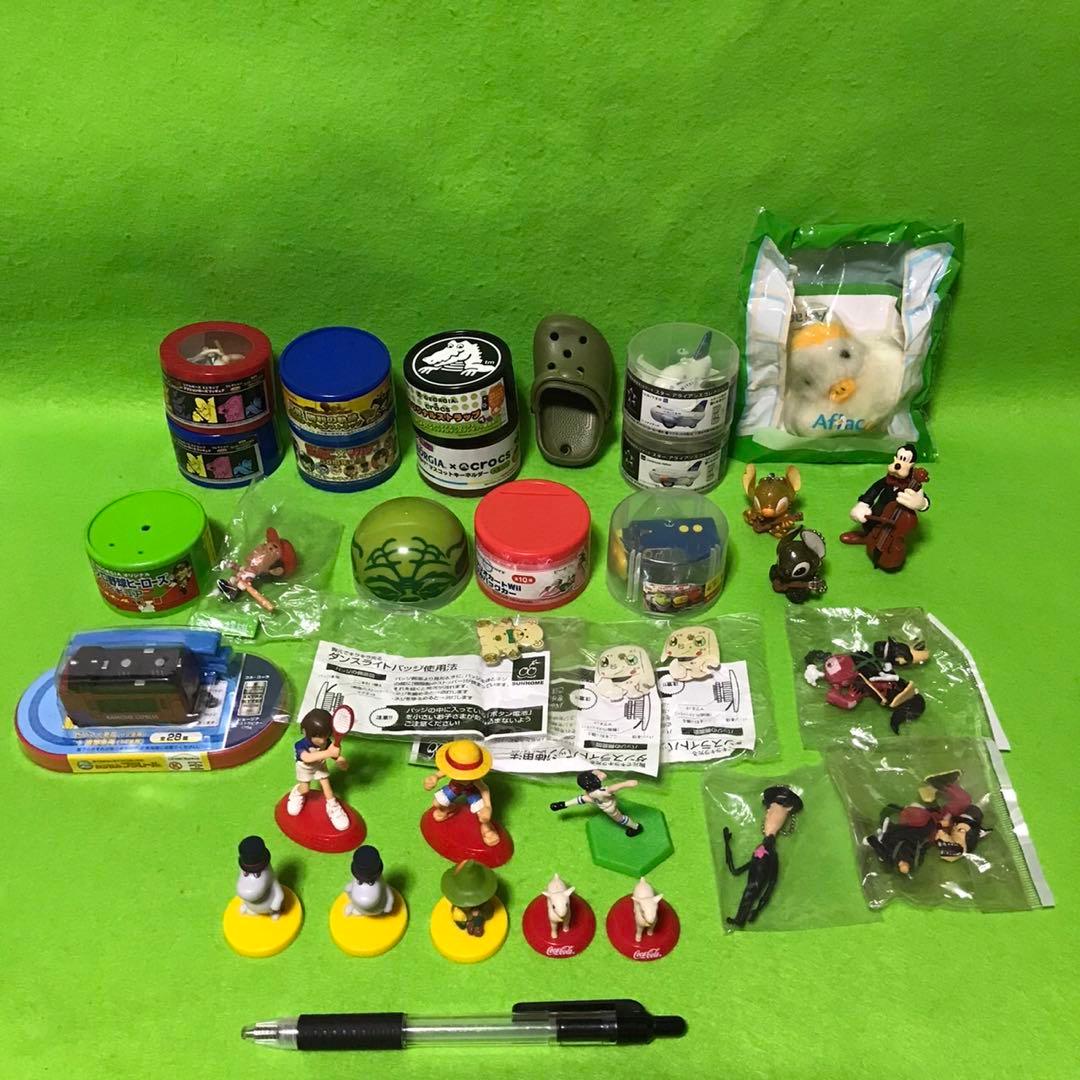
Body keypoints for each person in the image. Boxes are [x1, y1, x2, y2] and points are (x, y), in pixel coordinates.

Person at [287, 708, 349, 831]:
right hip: (305, 768)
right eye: (319, 736)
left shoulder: (326, 742)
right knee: (305, 789)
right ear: (305, 732)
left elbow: (333, 754)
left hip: (320, 766)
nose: (323, 740)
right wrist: (329, 752)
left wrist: (340, 759)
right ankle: (296, 793)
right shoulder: (300, 745)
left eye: (326, 736)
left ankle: (333, 807)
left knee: (327, 789)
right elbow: (307, 758)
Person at [549, 769, 643, 837]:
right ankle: (563, 804)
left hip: (608, 806)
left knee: (620, 819)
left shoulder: (594, 790)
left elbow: (606, 780)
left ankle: (636, 827)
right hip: (600, 801)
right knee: (583, 799)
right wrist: (626, 784)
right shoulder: (599, 790)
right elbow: (608, 783)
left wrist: (626, 784)